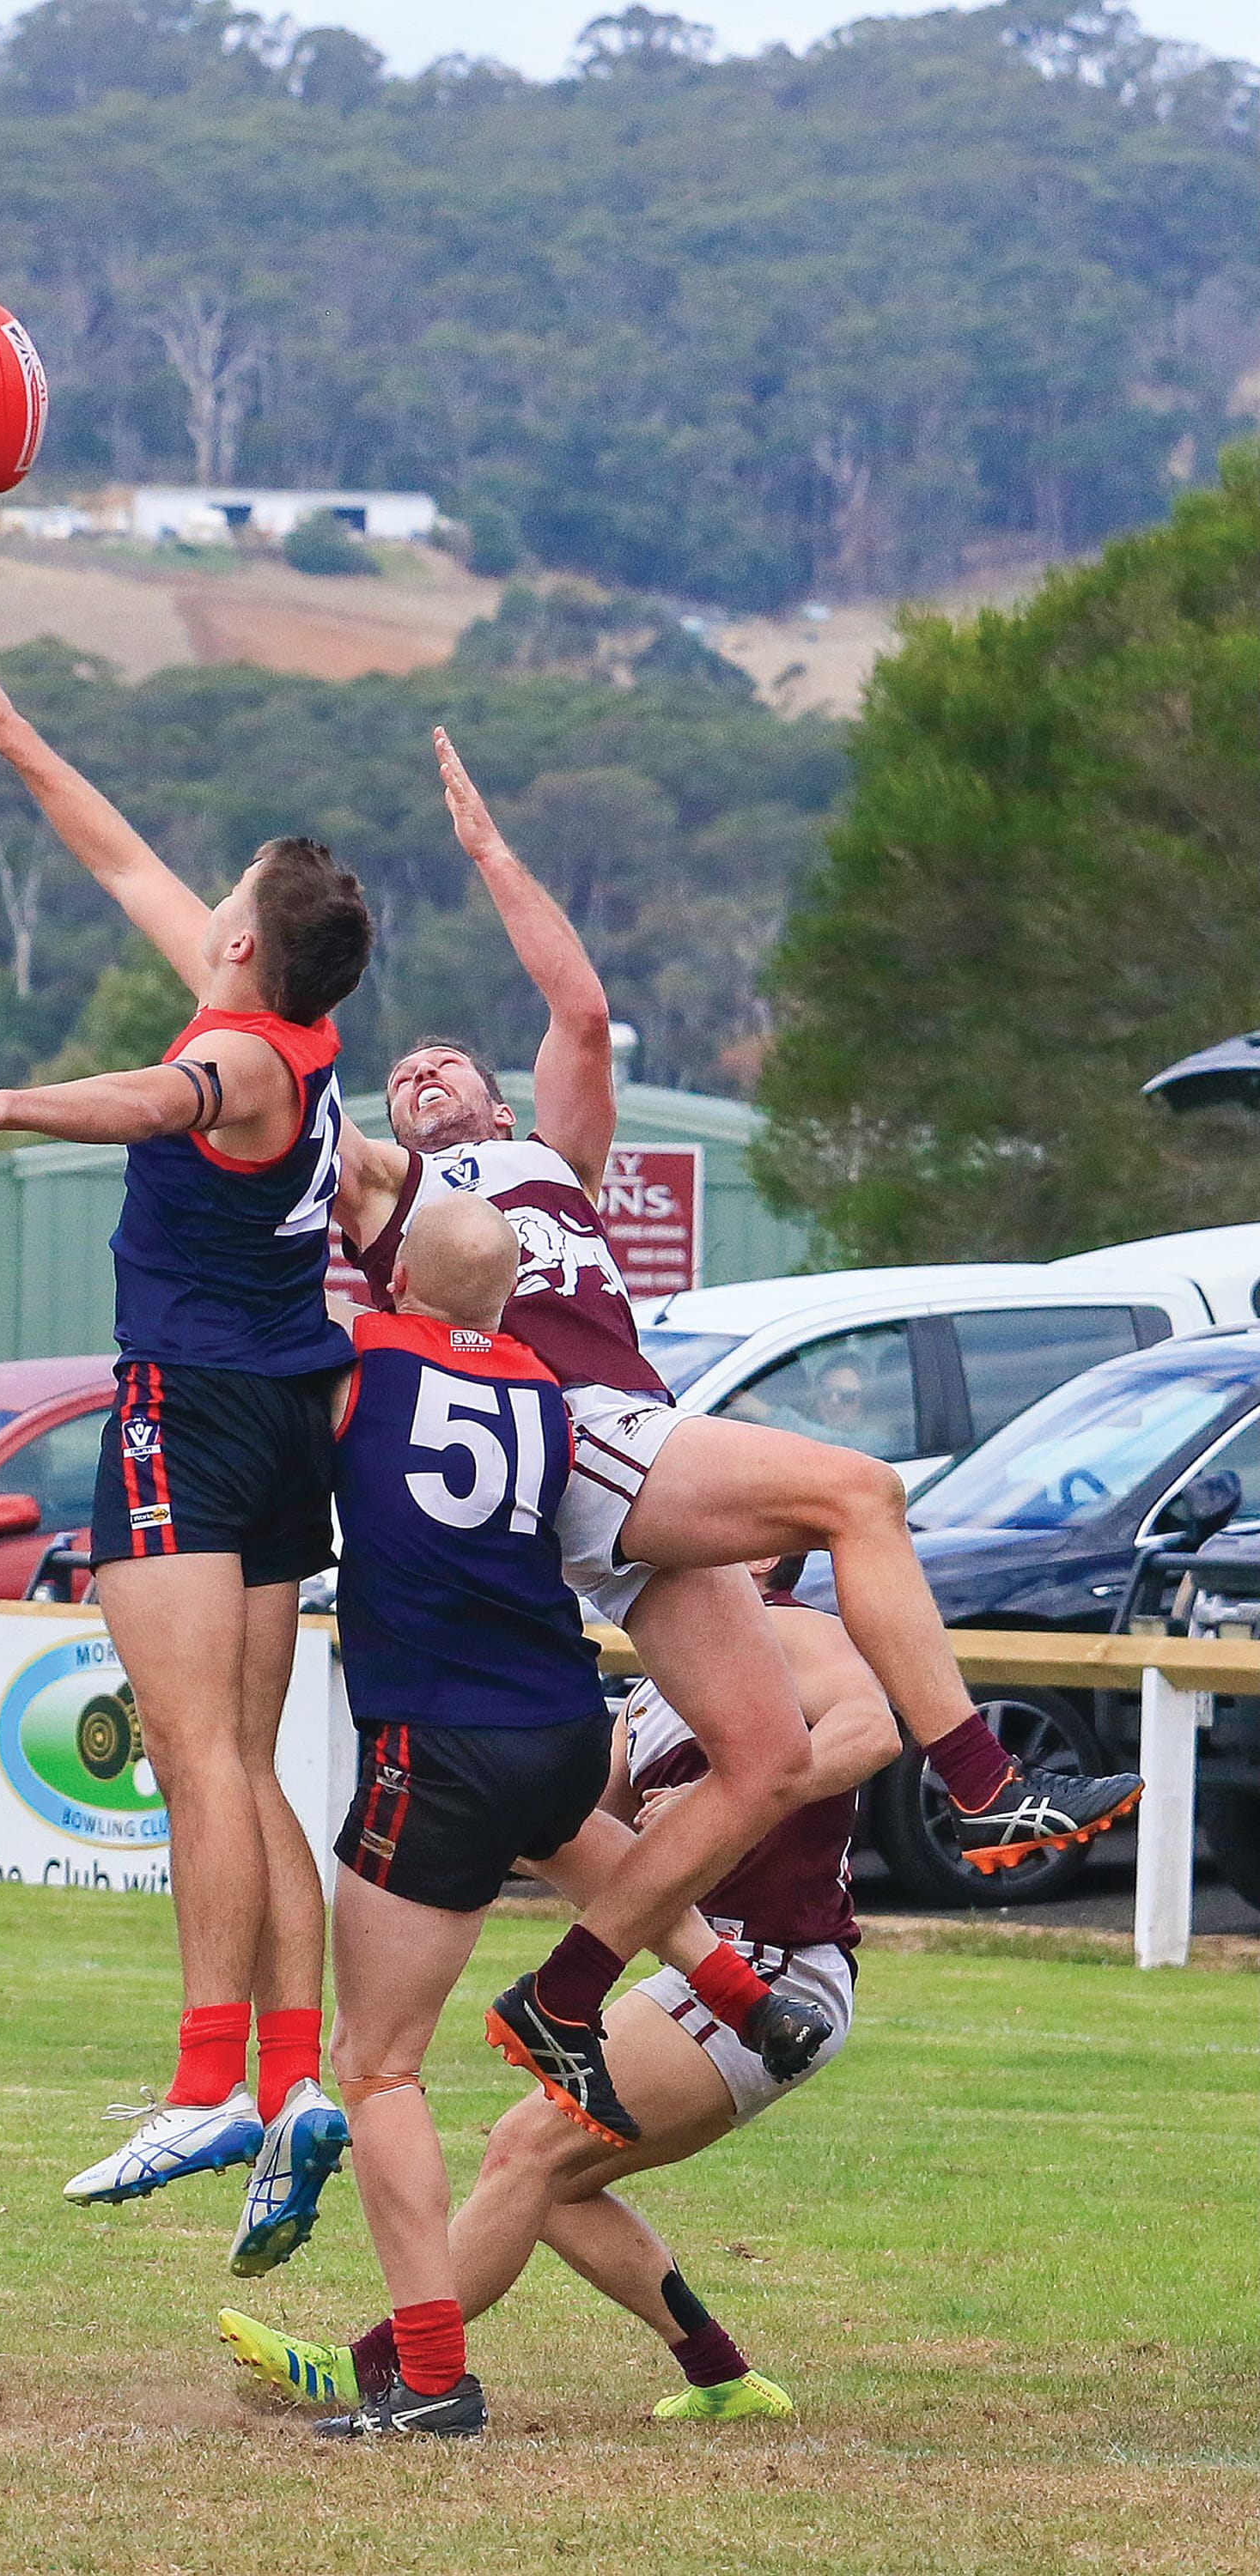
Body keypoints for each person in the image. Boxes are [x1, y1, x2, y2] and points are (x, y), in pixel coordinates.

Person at [332, 726, 1142, 2140]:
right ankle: (987, 1783)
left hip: (636, 1446)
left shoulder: (547, 1158)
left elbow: (578, 1010)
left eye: (443, 1061)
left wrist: (493, 856)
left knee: (762, 1761)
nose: (421, 1073)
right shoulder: (398, 1195)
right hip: (565, 1438)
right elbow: (271, 1110)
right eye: (399, 1072)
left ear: (498, 1095)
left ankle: (567, 1992)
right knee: (860, 1491)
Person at [0, 666, 374, 2275]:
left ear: (242, 939)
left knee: (192, 1769)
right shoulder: (299, 1029)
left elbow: (152, 1100)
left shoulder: (238, 1062)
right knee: (247, 1769)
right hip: (279, 1422)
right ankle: (299, 2079)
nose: (206, 901)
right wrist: (15, 731)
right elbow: (120, 863)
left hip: (188, 1408)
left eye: (226, 894)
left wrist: (6, 1106)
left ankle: (203, 2089)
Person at [218, 1556, 899, 2428]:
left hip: (773, 1970)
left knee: (525, 2154)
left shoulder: (788, 1630)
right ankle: (722, 2379)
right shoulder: (658, 1683)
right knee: (553, 2179)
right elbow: (572, 1836)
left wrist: (731, 1794)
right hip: (706, 1964)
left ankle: (370, 2369)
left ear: (753, 1555)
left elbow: (869, 1731)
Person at [305, 1190, 621, 2439]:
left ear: (397, 1278)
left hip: (435, 1731)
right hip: (561, 1723)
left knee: (378, 2066)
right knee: (576, 1848)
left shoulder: (361, 1351)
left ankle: (432, 2375)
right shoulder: (545, 1384)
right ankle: (739, 1992)